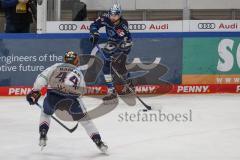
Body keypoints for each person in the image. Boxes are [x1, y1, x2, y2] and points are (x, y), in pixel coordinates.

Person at [26, 51, 108, 153]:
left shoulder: (56, 66)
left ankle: (43, 134)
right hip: (71, 100)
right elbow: (82, 91)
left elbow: (42, 78)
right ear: (76, 61)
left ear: (65, 60)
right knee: (86, 121)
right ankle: (98, 141)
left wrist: (35, 91)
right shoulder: (79, 73)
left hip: (53, 97)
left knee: (45, 113)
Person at [89, 3, 133, 102]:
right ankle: (111, 90)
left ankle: (129, 84)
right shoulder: (105, 18)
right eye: (112, 14)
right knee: (106, 66)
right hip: (112, 43)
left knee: (119, 67)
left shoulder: (123, 25)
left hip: (124, 45)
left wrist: (118, 54)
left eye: (115, 15)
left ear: (120, 15)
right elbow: (94, 25)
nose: (113, 17)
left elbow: (126, 41)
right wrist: (95, 33)